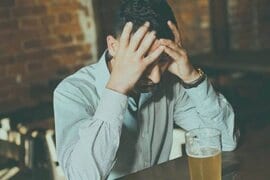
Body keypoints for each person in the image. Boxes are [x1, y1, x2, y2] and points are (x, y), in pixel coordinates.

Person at [53, 0, 237, 179]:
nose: (156, 77)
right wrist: (117, 88)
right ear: (113, 47)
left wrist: (192, 77)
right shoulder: (73, 92)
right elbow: (83, 176)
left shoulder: (170, 83)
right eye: (144, 60)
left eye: (163, 60)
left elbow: (226, 142)